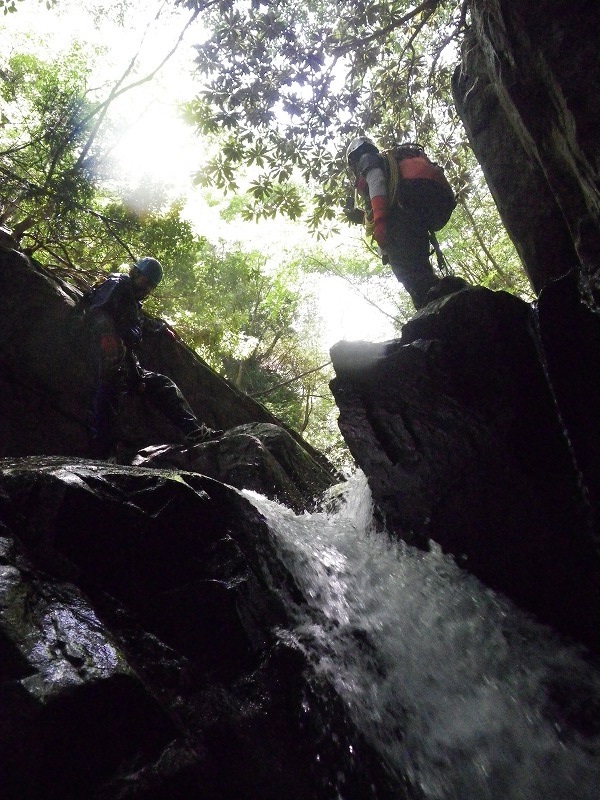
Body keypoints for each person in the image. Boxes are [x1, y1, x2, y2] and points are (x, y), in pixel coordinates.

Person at [85, 256, 221, 458]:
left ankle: (193, 431)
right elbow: (98, 311)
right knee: (109, 392)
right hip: (103, 354)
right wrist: (107, 338)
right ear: (135, 273)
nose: (147, 289)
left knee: (162, 386)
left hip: (123, 359)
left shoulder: (130, 298)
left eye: (151, 286)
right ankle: (101, 452)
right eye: (145, 281)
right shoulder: (118, 283)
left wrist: (160, 329)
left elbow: (135, 323)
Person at [345, 137, 469, 310]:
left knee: (408, 270)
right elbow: (384, 198)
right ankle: (444, 300)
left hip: (402, 216)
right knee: (416, 266)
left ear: (353, 158)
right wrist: (362, 218)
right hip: (413, 212)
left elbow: (376, 182)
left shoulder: (368, 159)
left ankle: (438, 306)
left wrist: (380, 223)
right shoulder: (390, 166)